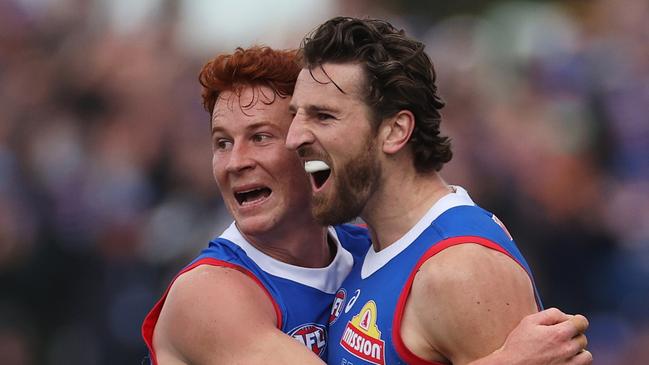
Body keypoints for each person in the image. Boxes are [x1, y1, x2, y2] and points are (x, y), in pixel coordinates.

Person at [142, 46, 590, 365]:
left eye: (261, 137)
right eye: (221, 143)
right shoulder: (209, 295)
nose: (235, 162)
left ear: (305, 146)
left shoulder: (372, 251)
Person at [286, 16, 593, 365]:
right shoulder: (369, 248)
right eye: (296, 115)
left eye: (324, 116)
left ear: (396, 131)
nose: (293, 137)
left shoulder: (462, 268)